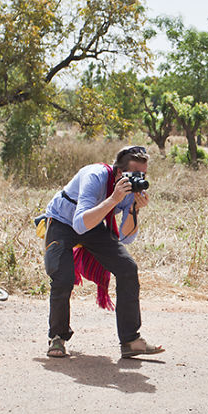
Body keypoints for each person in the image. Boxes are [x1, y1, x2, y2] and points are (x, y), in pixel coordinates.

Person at [42, 145, 164, 359]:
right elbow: (79, 225)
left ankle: (130, 340)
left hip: (93, 223)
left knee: (127, 268)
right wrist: (114, 199)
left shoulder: (130, 191)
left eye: (143, 175)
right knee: (63, 277)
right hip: (63, 221)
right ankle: (57, 337)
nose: (139, 179)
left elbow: (127, 238)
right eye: (134, 174)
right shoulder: (95, 177)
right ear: (119, 172)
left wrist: (134, 208)